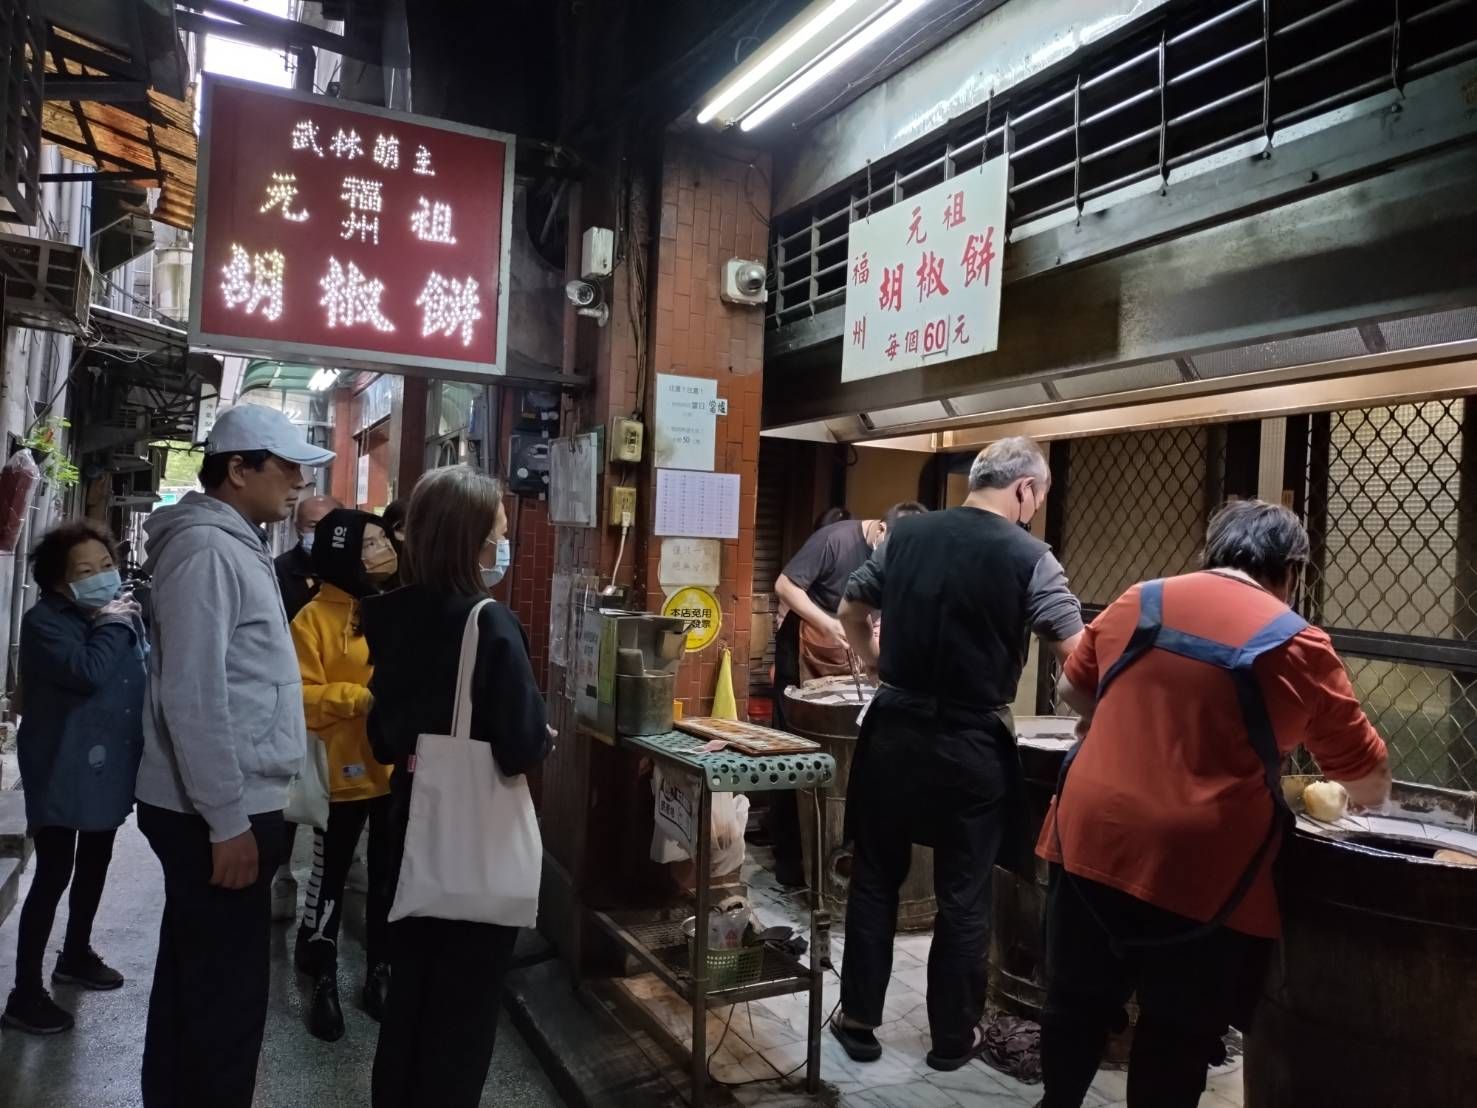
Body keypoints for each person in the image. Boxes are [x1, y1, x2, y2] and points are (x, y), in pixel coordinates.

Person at [1036, 499, 1391, 1108]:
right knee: (1176, 1035)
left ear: (1212, 553)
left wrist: (1131, 727)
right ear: (1292, 571)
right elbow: (1368, 780)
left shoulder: (1140, 600)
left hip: (1090, 838)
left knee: (1075, 1003)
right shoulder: (1301, 644)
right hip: (1201, 877)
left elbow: (1071, 686)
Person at [831, 437, 1084, 1071]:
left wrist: (876, 661)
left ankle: (859, 1020)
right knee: (963, 897)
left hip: (893, 734)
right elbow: (1077, 657)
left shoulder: (905, 537)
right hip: (972, 746)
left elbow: (851, 606)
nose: (1035, 512)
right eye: (1039, 499)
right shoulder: (1032, 557)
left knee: (874, 881)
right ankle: (952, 1039)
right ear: (1025, 489)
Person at [135, 404, 334, 1108]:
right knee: (223, 999)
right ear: (239, 468)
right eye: (285, 466)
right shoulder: (209, 551)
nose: (300, 481)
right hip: (214, 813)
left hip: (228, 804)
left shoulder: (232, 539)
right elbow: (192, 693)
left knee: (201, 982)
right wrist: (225, 820)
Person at [360, 465, 550, 1108]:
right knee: (461, 1018)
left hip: (410, 829)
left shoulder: (390, 616)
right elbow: (522, 746)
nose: (503, 547)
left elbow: (382, 739)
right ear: (470, 540)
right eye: (497, 534)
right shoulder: (488, 621)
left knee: (411, 998)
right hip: (472, 844)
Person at [2, 522, 147, 1035]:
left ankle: (76, 953)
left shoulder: (117, 614)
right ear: (59, 583)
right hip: (62, 766)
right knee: (53, 872)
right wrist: (112, 623)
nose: (102, 577)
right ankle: (24, 993)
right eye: (85, 572)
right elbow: (88, 670)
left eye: (106, 565)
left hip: (108, 763)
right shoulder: (46, 622)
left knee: (98, 858)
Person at [768, 501, 926, 886]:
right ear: (882, 532)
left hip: (849, 653)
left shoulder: (900, 551)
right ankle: (789, 859)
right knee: (794, 745)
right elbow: (784, 585)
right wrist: (827, 622)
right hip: (806, 648)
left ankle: (838, 850)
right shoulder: (835, 540)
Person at [290, 509, 398, 1042]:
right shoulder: (311, 620)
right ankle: (323, 975)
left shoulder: (395, 609)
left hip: (394, 770)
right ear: (344, 554)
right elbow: (297, 698)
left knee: (386, 877)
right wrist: (354, 698)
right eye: (373, 542)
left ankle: (379, 969)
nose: (386, 549)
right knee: (329, 878)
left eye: (385, 539)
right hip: (339, 776)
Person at [271, 493, 342, 923]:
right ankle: (281, 873)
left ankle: (332, 872)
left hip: (341, 709)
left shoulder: (355, 572)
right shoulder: (280, 572)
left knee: (332, 792)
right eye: (309, 525)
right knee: (295, 791)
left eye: (326, 524)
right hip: (292, 700)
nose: (316, 533)